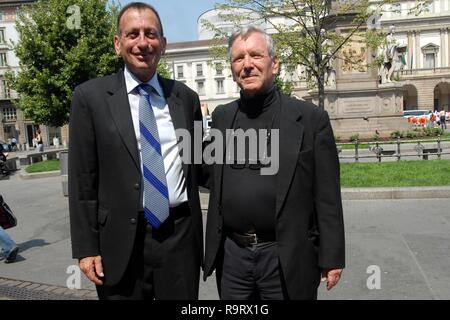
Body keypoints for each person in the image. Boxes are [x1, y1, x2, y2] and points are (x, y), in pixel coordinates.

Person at [69, 2, 203, 300]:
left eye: (151, 34)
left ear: (163, 44)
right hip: (118, 241)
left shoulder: (186, 99)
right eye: (133, 34)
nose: (142, 42)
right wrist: (86, 247)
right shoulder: (89, 98)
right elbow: (82, 180)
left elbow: (199, 163)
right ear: (118, 44)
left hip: (178, 236)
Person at [204, 27, 345, 300]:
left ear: (275, 63)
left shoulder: (310, 119)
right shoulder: (222, 118)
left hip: (285, 255)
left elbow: (327, 194)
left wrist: (332, 255)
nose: (247, 65)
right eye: (238, 58)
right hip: (233, 257)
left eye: (256, 55)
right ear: (232, 68)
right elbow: (207, 172)